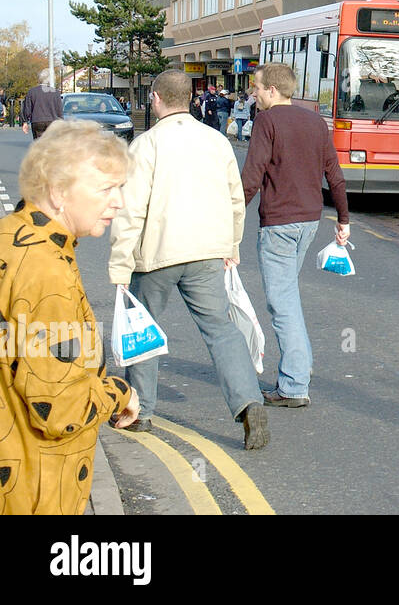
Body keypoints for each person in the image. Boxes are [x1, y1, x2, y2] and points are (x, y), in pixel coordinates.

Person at [108, 69, 269, 449]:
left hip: (157, 254)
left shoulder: (146, 146)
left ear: (157, 99)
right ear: (190, 99)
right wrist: (231, 245)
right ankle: (248, 402)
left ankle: (141, 411)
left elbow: (130, 210)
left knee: (143, 329)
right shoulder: (216, 142)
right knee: (221, 330)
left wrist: (119, 264)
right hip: (207, 252)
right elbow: (236, 198)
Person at [0, 120, 140, 514]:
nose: (119, 202)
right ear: (59, 192)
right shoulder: (47, 271)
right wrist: (120, 393)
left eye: (120, 188)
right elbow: (57, 409)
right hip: (35, 486)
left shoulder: (11, 234)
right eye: (105, 189)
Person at [241, 62, 349, 408]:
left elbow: (252, 176)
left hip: (279, 224)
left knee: (281, 302)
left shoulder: (266, 121)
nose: (253, 93)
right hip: (309, 222)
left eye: (256, 87)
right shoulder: (315, 122)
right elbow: (334, 173)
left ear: (273, 90)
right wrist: (343, 219)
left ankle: (294, 385)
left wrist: (230, 217)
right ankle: (300, 365)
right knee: (288, 295)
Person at [20, 69, 63, 139]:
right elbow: (59, 110)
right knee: (51, 142)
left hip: (37, 120)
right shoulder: (56, 93)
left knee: (38, 141)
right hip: (52, 121)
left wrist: (25, 122)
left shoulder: (32, 92)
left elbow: (27, 108)